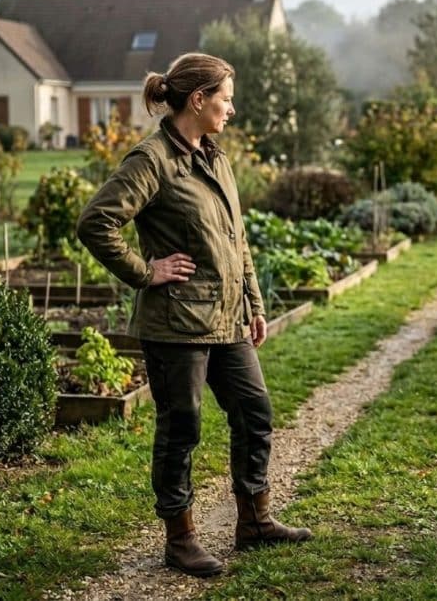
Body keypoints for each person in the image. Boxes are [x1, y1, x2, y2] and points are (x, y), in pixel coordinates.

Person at [77, 52, 311, 578]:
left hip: (227, 320)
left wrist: (253, 302)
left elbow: (237, 239)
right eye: (226, 98)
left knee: (255, 413)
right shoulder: (152, 160)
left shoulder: (215, 157)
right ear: (198, 99)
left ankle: (255, 520)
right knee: (182, 428)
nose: (232, 108)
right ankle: (180, 539)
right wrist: (146, 271)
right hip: (177, 325)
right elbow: (96, 223)